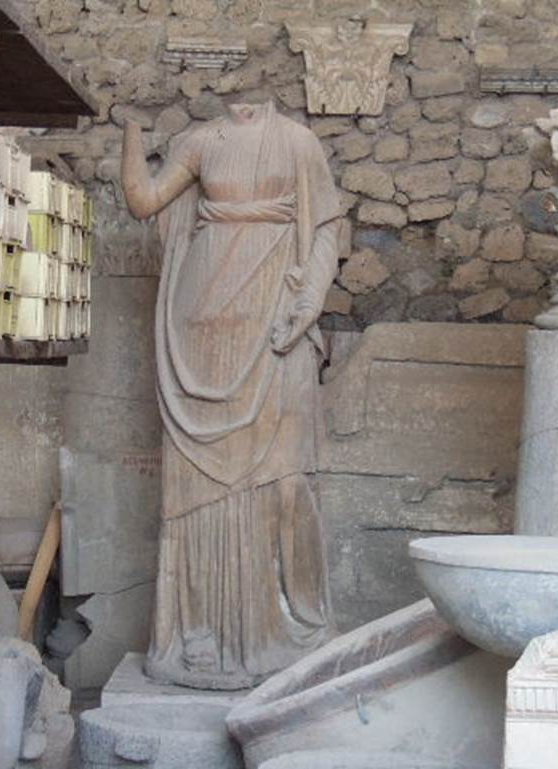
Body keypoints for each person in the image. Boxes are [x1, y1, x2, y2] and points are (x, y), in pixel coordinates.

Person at [121, 100, 340, 689]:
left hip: (275, 313)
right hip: (205, 315)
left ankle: (273, 632)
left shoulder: (297, 141)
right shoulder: (200, 141)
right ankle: (199, 634)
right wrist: (132, 134)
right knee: (196, 487)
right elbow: (144, 201)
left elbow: (323, 230)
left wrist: (309, 302)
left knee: (285, 480)